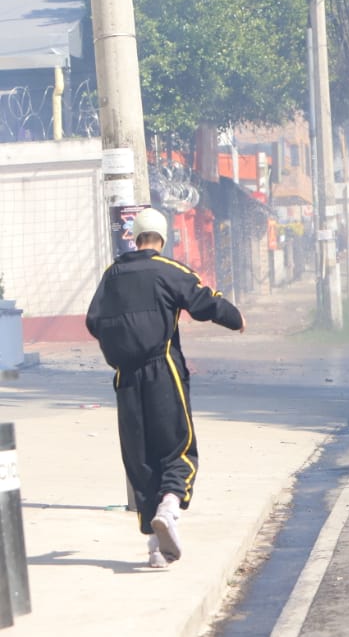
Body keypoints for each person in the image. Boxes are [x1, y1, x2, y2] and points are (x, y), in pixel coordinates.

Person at [86, 207, 245, 568]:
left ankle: (155, 549)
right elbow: (204, 299)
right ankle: (170, 509)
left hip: (125, 377)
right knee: (177, 447)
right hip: (164, 370)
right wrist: (236, 319)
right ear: (161, 237)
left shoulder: (111, 275)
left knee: (140, 458)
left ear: (134, 236)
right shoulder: (168, 270)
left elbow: (93, 320)